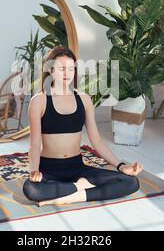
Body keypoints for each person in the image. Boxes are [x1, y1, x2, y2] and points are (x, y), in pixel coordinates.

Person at [22, 46, 143, 207]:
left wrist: (121, 166)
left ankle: (69, 196)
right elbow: (35, 144)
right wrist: (34, 171)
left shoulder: (84, 99)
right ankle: (81, 187)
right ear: (51, 70)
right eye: (62, 69)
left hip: (77, 167)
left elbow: (97, 141)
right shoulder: (39, 101)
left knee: (131, 182)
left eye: (71, 69)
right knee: (31, 190)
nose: (67, 73)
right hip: (49, 170)